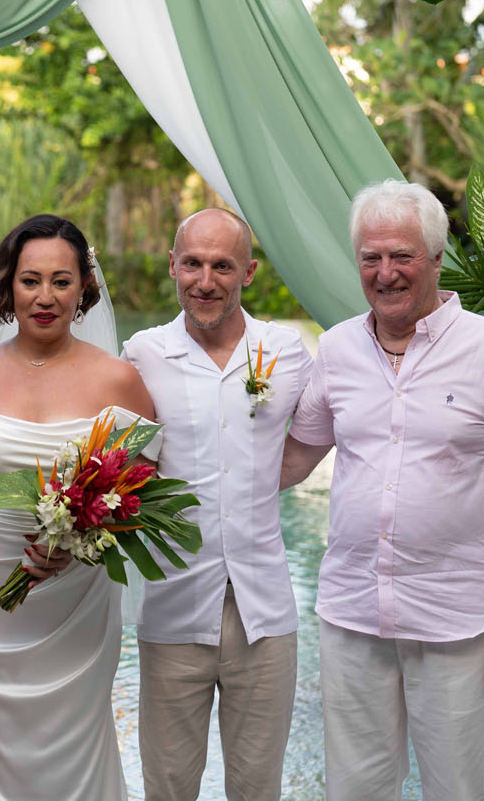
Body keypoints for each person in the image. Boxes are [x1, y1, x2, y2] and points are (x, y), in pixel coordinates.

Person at [280, 180, 484, 801]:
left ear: (437, 260)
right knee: (354, 790)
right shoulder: (337, 350)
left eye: (402, 256)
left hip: (459, 621)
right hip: (353, 613)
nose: (386, 273)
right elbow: (293, 461)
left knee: (456, 792)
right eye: (371, 258)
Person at [0, 213, 159, 801]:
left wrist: (80, 539)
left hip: (75, 604)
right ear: (9, 285)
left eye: (61, 280)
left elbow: (138, 495)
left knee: (73, 750)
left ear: (85, 287)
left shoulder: (120, 382)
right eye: (31, 280)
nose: (45, 296)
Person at [120, 209, 311, 801]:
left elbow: (309, 443)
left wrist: (246, 485)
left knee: (259, 788)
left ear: (248, 271)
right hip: (175, 608)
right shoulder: (143, 355)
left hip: (265, 614)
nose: (206, 280)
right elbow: (116, 459)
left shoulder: (286, 352)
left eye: (222, 265)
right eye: (194, 264)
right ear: (173, 267)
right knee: (168, 786)